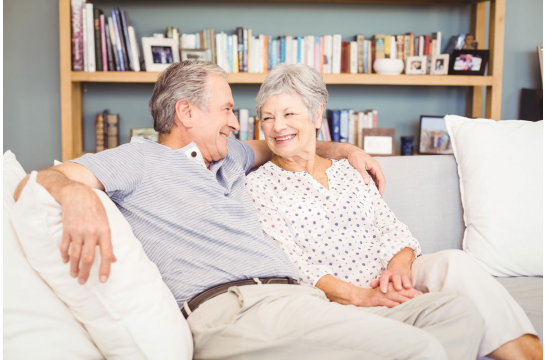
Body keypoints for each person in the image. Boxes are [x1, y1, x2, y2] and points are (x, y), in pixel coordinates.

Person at [15, 60, 482, 360]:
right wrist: (76, 194)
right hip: (236, 310)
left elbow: (285, 139)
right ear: (186, 113)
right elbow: (40, 179)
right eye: (227, 110)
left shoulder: (231, 156)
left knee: (457, 316)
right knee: (419, 350)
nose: (237, 122)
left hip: (299, 303)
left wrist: (340, 148)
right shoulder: (139, 158)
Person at [245, 62, 542, 360]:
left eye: (289, 114)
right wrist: (362, 296)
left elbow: (392, 229)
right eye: (267, 118)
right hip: (332, 298)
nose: (277, 126)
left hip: (388, 278)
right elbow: (292, 264)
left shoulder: (350, 169)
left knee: (454, 262)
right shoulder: (259, 186)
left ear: (317, 114)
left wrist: (398, 270)